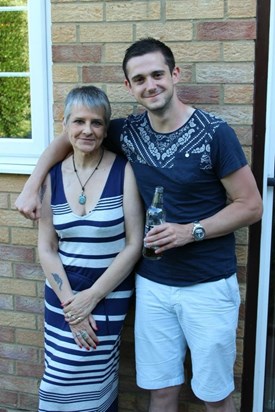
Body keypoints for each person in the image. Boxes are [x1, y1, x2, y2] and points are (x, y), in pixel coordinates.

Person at [16, 38, 263, 412]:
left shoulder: (215, 132)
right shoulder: (127, 131)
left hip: (208, 286)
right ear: (129, 87)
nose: (151, 85)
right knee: (160, 392)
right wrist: (33, 184)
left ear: (175, 74)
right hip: (152, 287)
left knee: (214, 395)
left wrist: (190, 230)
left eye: (158, 74)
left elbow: (251, 205)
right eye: (140, 79)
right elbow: (71, 139)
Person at [36, 85, 143, 412]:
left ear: (105, 128)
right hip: (62, 294)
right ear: (65, 125)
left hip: (108, 293)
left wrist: (92, 298)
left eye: (96, 122)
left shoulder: (123, 171)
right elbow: (46, 247)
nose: (87, 130)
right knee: (58, 375)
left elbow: (134, 243)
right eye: (79, 121)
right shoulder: (51, 177)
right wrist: (72, 305)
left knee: (96, 379)